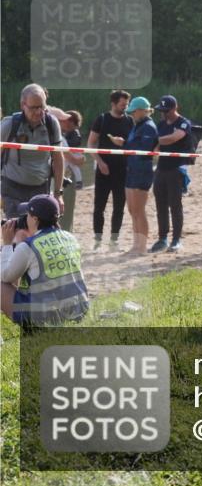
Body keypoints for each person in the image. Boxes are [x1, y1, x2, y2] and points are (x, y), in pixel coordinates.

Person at [1, 194, 88, 327]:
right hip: (79, 310)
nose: (24, 219)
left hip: (47, 319)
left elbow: (5, 276)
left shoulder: (29, 246)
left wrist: (7, 244)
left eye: (28, 215)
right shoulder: (71, 238)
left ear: (35, 219)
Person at [1, 84, 65, 218]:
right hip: (12, 189)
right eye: (33, 107)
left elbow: (58, 160)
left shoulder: (52, 125)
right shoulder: (9, 125)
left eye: (42, 106)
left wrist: (58, 195)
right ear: (22, 105)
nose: (38, 111)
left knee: (39, 234)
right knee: (16, 232)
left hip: (41, 188)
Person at [87, 90, 131, 251]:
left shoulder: (129, 121)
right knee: (99, 206)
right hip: (103, 170)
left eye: (126, 104)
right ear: (113, 104)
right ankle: (97, 240)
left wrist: (124, 143)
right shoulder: (102, 119)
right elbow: (90, 144)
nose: (125, 107)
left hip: (123, 171)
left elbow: (133, 145)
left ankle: (114, 240)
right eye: (122, 104)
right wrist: (99, 162)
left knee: (119, 207)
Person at [150, 96, 193, 253]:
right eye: (161, 111)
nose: (163, 114)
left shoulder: (183, 123)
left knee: (175, 205)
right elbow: (155, 146)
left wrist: (157, 140)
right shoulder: (161, 125)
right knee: (160, 205)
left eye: (166, 111)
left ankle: (176, 239)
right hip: (161, 168)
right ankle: (162, 238)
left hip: (176, 169)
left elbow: (175, 138)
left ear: (174, 108)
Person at [116, 97, 158, 255]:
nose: (132, 115)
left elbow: (145, 148)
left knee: (139, 210)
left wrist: (124, 144)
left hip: (142, 170)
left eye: (134, 112)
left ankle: (142, 247)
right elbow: (133, 146)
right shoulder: (138, 126)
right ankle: (136, 245)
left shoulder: (148, 126)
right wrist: (124, 143)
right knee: (132, 210)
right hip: (132, 169)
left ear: (142, 111)